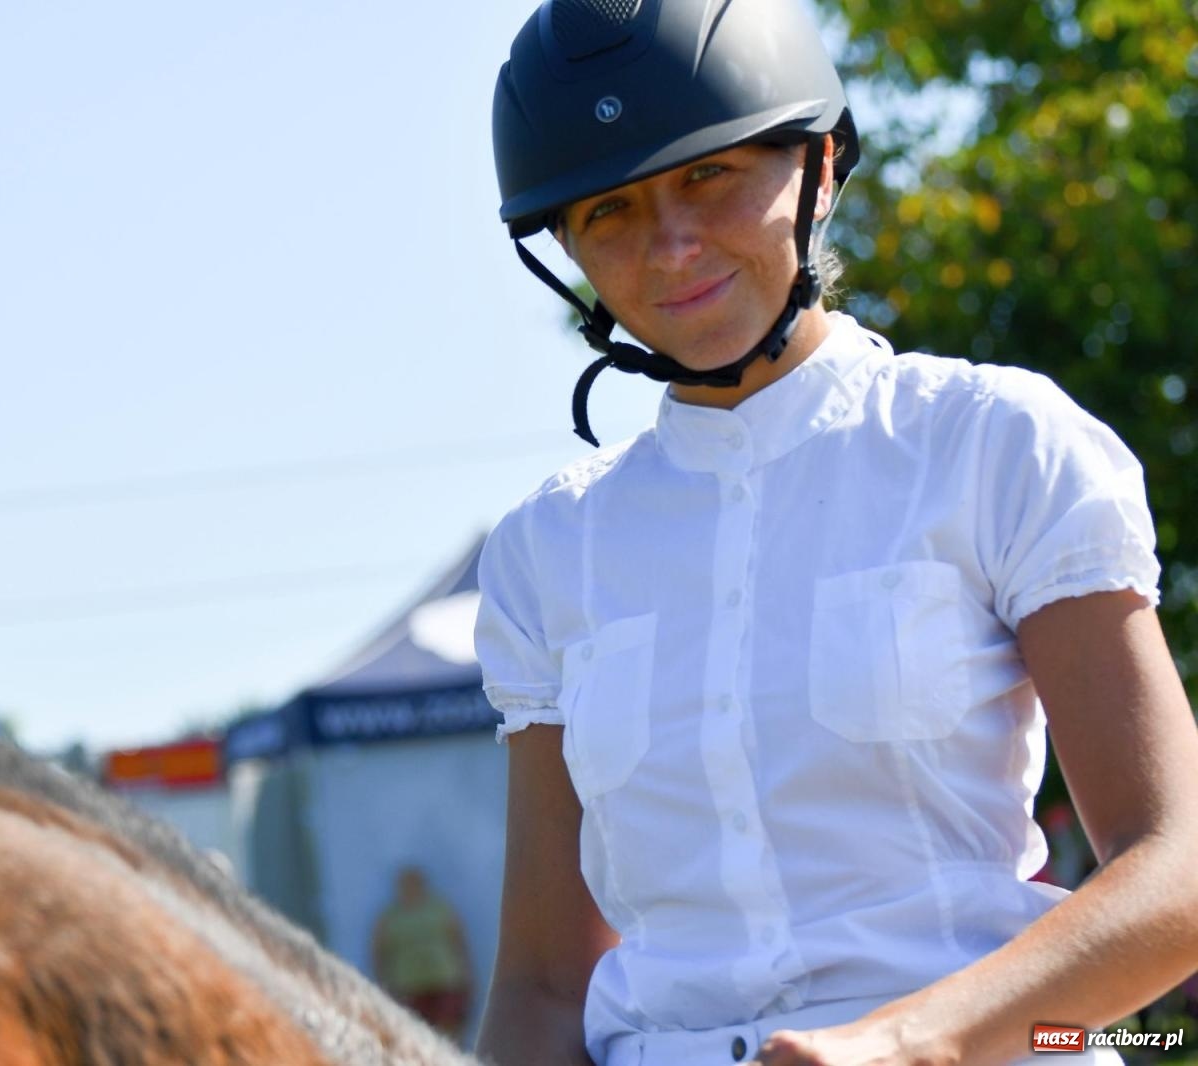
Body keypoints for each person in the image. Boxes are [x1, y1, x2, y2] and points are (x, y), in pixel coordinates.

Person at [471, 1, 1198, 1064]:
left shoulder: (993, 443)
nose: (669, 247)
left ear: (815, 166)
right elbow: (540, 985)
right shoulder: (545, 550)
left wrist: (912, 1041)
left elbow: (1176, 870)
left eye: (705, 176)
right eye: (608, 212)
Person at [371, 866, 474, 1044]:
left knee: (450, 1037)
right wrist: (384, 986)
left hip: (444, 982)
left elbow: (459, 943)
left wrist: (467, 977)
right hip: (410, 987)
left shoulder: (440, 908)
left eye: (415, 882)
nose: (411, 887)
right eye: (406, 883)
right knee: (416, 1039)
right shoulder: (389, 917)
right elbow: (379, 953)